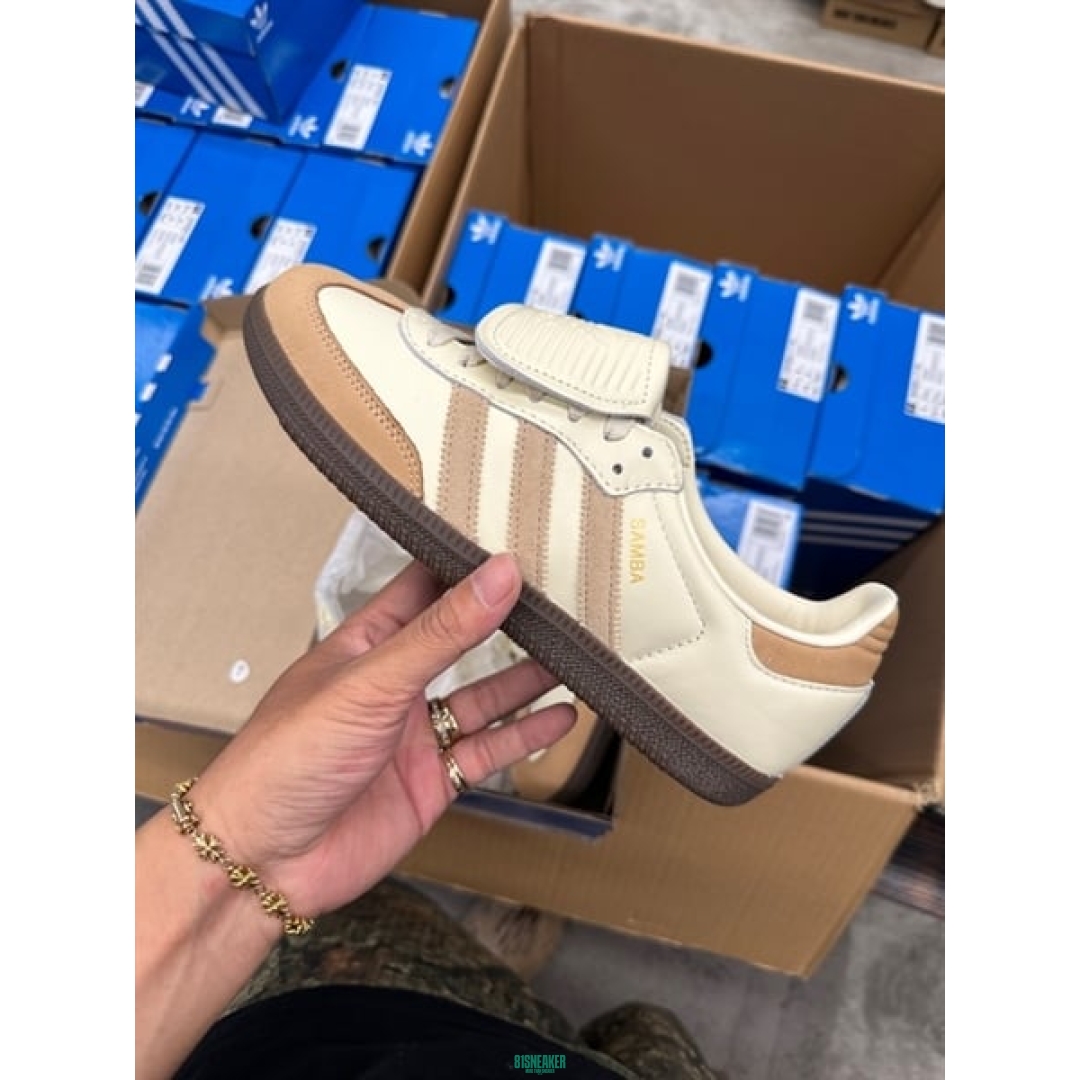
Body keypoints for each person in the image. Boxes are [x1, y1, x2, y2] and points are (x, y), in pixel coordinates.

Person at [136, 553, 722, 1079]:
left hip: (317, 1026)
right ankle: (525, 1015)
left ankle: (515, 1009)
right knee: (628, 1036)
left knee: (497, 1015)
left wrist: (235, 839)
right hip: (520, 1054)